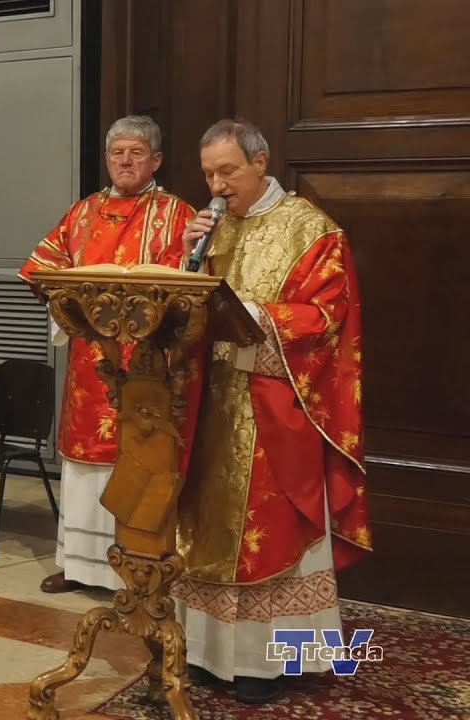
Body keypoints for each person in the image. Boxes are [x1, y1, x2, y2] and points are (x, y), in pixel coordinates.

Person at [173, 118, 371, 705]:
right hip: (215, 404)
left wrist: (258, 318)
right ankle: (209, 653)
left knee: (272, 531)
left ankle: (274, 661)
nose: (216, 183)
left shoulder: (311, 229)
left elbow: (328, 316)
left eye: (227, 171)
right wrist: (189, 260)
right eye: (209, 172)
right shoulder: (213, 231)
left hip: (277, 404)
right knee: (207, 527)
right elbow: (189, 307)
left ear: (261, 162)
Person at [16, 115, 197, 594]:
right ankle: (80, 563)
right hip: (92, 362)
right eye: (117, 152)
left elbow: (194, 281)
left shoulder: (178, 215)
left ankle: (138, 566)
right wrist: (59, 293)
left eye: (136, 152)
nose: (125, 161)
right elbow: (44, 267)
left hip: (147, 366)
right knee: (84, 462)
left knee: (138, 455)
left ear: (156, 160)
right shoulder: (84, 212)